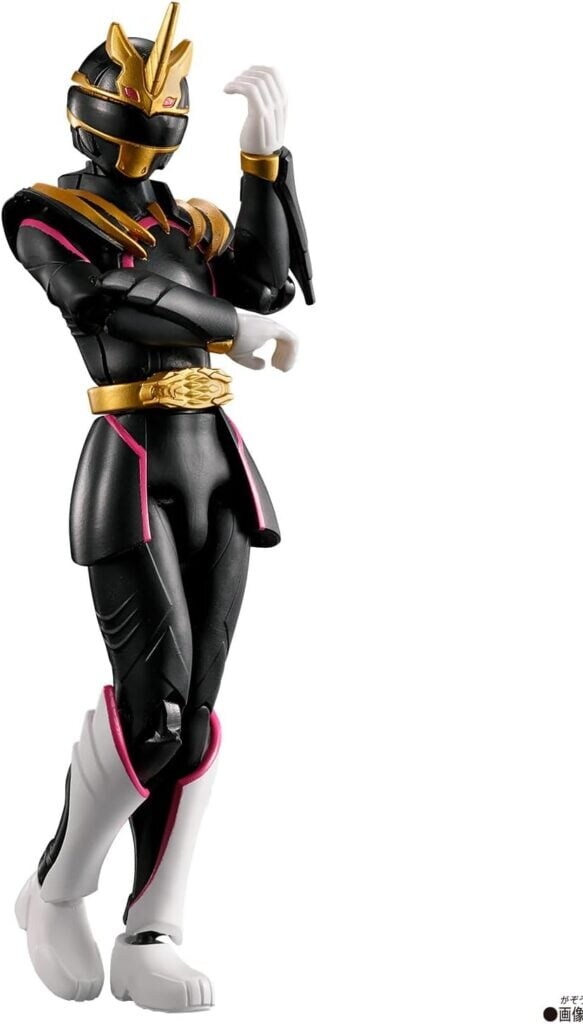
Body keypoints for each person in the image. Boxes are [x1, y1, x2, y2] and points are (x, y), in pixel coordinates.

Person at [2, 2, 313, 1011]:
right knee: (156, 712)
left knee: (197, 717)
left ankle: (152, 933)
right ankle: (56, 889)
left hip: (216, 458)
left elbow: (269, 284)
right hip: (130, 462)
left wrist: (264, 164)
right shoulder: (43, 211)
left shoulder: (187, 221)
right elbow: (102, 294)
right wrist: (227, 328)